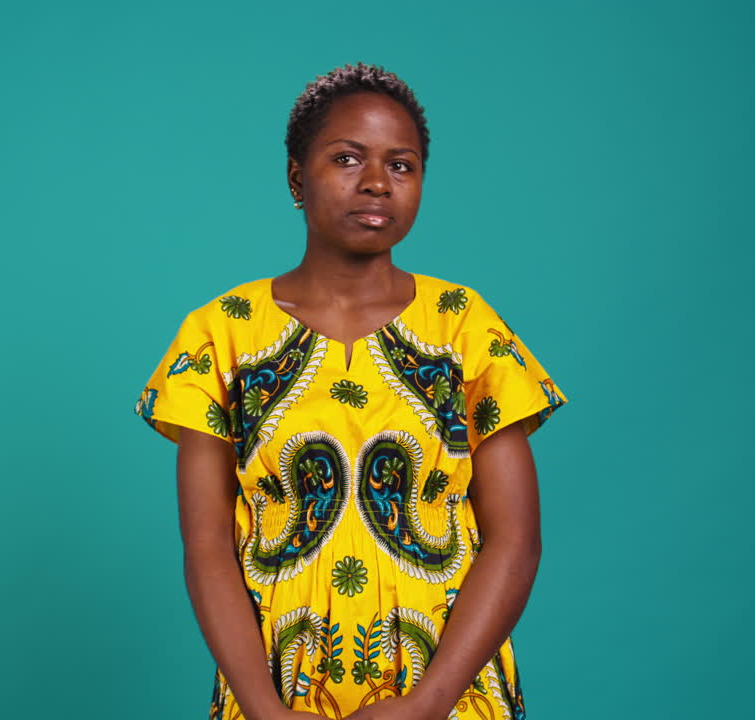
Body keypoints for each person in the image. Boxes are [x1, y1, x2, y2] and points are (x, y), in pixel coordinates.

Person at [135, 62, 567, 720]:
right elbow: (207, 550)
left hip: (450, 698)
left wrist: (431, 703)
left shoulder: (466, 328)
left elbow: (516, 543)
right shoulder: (219, 337)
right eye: (347, 158)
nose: (376, 183)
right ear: (295, 178)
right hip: (275, 699)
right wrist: (263, 709)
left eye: (402, 165)